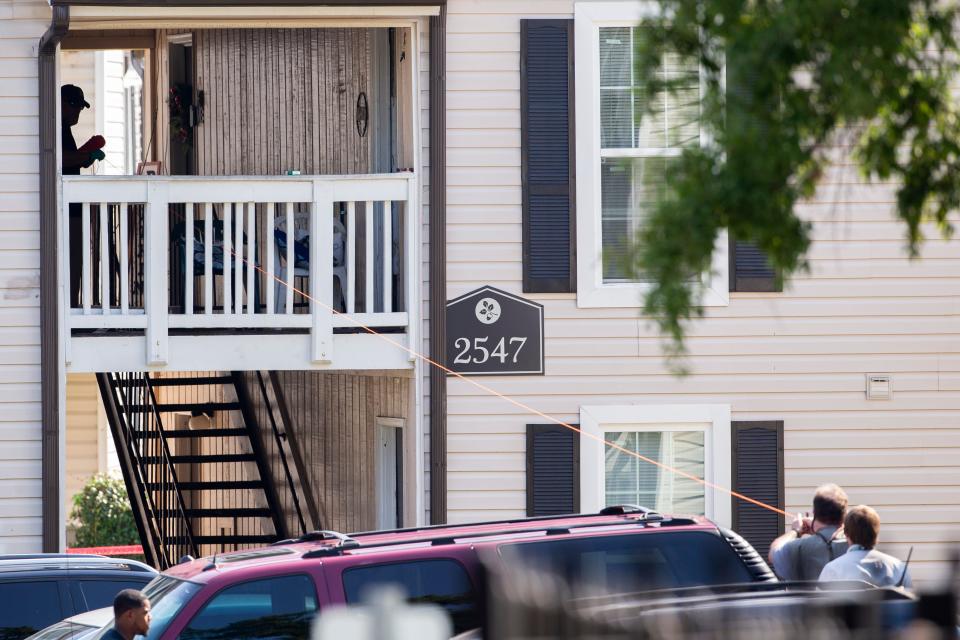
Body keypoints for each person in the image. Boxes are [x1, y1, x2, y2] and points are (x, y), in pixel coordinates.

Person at [62, 84, 105, 307]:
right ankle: (69, 309)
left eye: (80, 108)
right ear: (62, 104)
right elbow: (59, 159)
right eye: (75, 107)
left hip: (74, 209)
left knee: (76, 262)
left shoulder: (64, 129)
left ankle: (73, 307)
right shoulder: (56, 128)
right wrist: (84, 157)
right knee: (70, 261)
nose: (78, 112)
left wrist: (84, 157)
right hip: (65, 212)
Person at [768, 483, 849, 580]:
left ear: (814, 513)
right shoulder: (855, 546)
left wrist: (795, 531)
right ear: (844, 515)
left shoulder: (798, 549)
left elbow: (773, 553)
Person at [819, 504, 912, 588]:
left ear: (846, 534)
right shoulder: (899, 567)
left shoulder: (833, 569)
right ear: (876, 533)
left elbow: (819, 604)